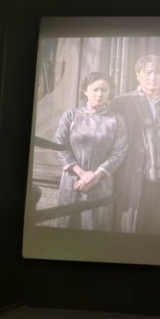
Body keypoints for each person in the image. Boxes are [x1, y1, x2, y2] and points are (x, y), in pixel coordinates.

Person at [111, 55, 160, 235]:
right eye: (147, 72)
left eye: (157, 72)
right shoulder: (121, 104)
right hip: (133, 180)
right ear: (137, 75)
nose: (152, 77)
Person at [54, 71, 128, 231]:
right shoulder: (71, 115)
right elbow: (59, 146)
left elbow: (119, 152)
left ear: (109, 92)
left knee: (96, 227)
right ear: (85, 90)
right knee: (67, 225)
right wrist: (82, 173)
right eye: (95, 89)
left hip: (101, 182)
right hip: (73, 180)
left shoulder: (116, 120)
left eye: (104, 90)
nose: (99, 94)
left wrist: (94, 177)